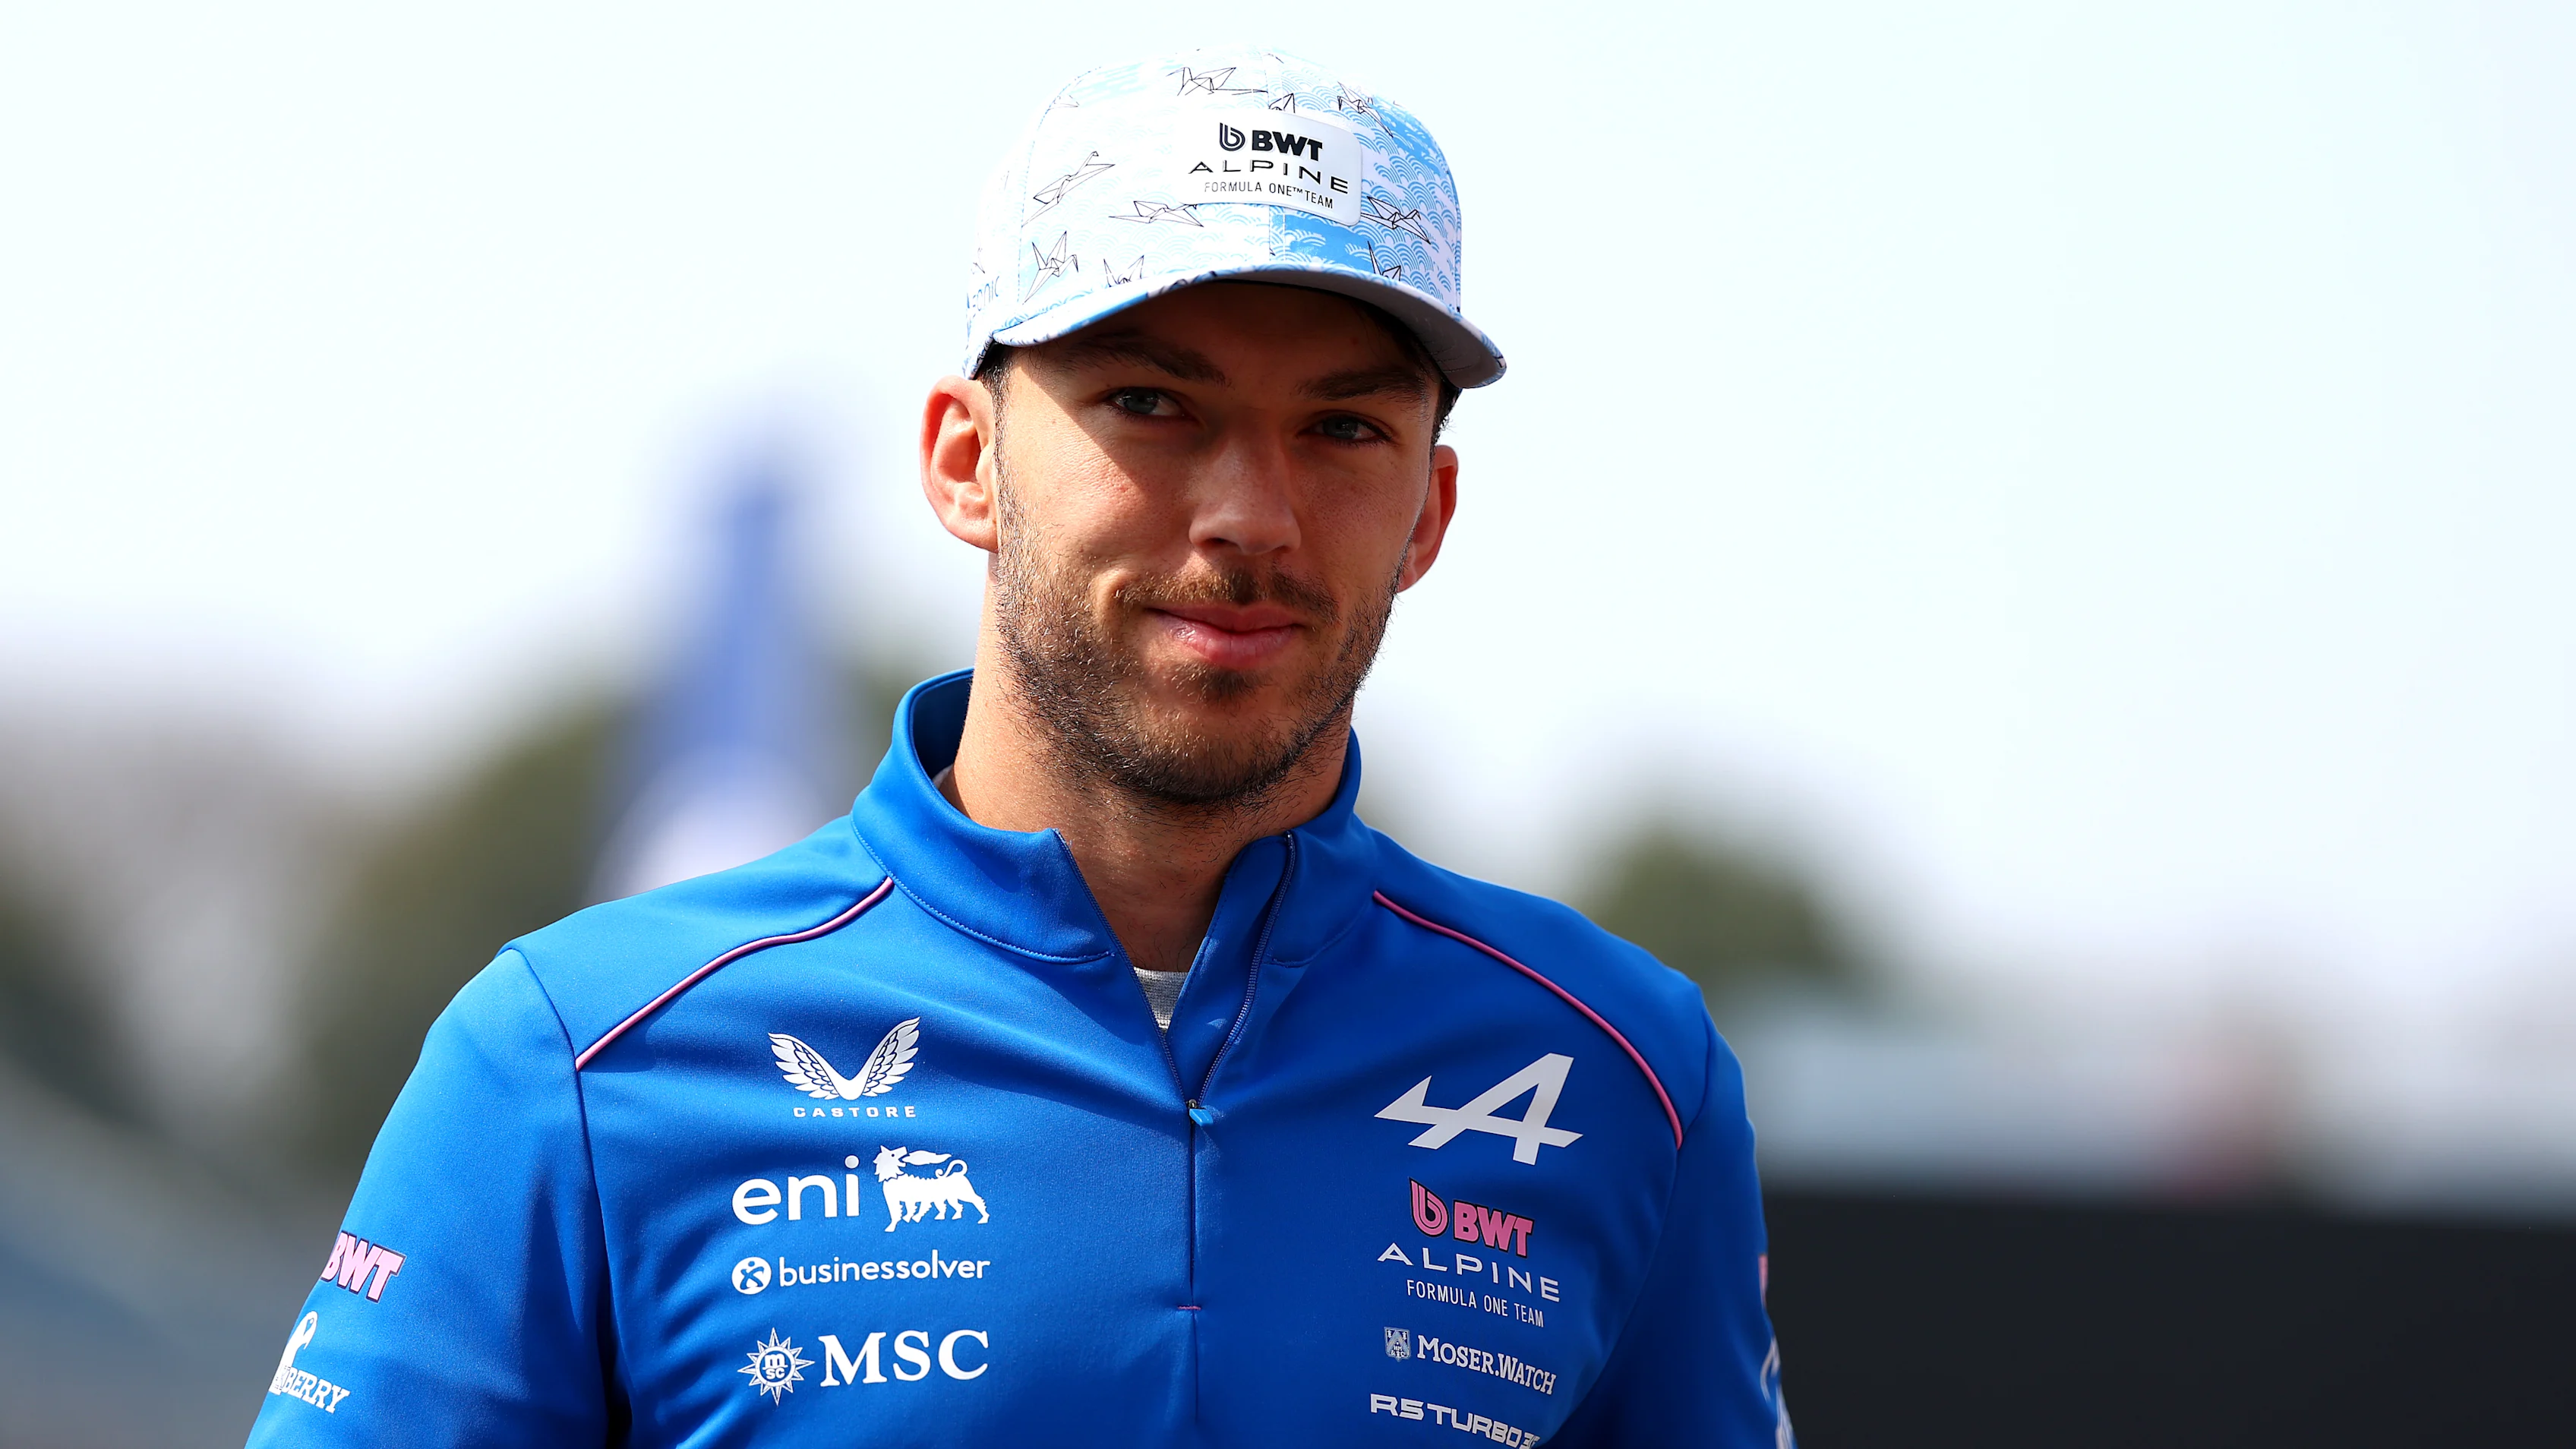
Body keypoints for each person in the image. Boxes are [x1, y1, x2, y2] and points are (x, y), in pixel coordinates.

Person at [246, 43, 1792, 1447]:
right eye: (1149, 403)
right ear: (964, 463)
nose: (1251, 514)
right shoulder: (575, 1060)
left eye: (1341, 429)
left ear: (1429, 514)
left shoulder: (1622, 1074)